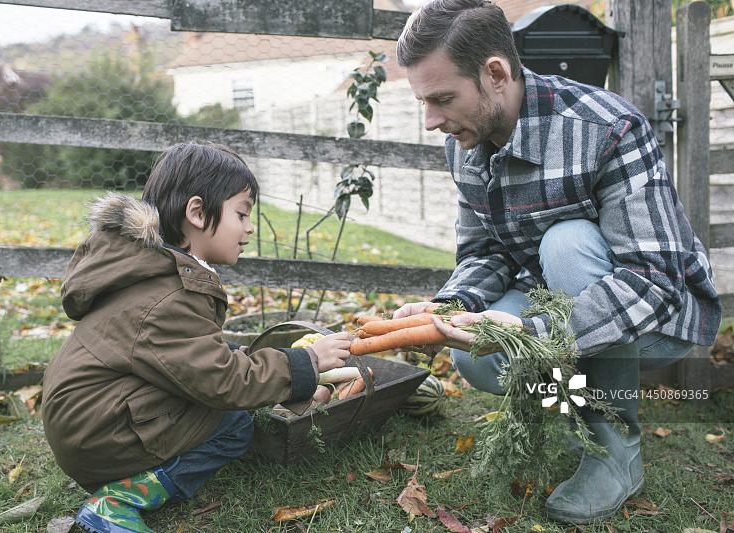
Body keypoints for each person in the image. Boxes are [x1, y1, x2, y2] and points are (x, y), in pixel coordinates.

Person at [393, 0, 721, 525]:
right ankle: (577, 409)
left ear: (495, 73)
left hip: (663, 315)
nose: (431, 120)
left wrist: (532, 331)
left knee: (567, 244)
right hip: (558, 301)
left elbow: (654, 283)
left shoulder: (607, 127)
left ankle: (614, 451)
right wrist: (448, 308)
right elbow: (485, 251)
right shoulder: (465, 141)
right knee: (474, 357)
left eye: (442, 99)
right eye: (423, 102)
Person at [41, 140, 351, 533]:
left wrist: (249, 356)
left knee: (223, 408)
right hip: (100, 434)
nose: (249, 227)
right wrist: (306, 363)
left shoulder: (151, 272)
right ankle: (117, 500)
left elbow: (187, 354)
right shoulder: (170, 295)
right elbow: (221, 380)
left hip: (90, 422)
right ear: (198, 213)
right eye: (242, 213)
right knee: (233, 426)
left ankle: (122, 478)